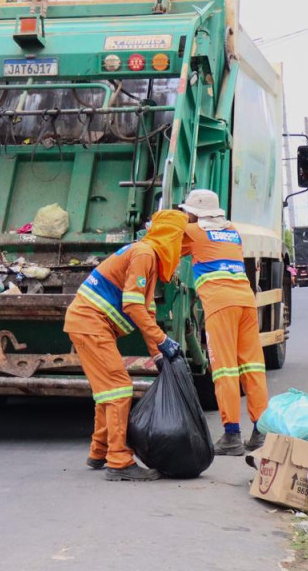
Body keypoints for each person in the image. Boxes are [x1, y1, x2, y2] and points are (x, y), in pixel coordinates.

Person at [63, 209, 187, 481]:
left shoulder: (147, 256)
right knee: (119, 388)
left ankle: (99, 450)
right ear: (171, 237)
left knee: (106, 391)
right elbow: (133, 306)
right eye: (180, 240)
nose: (181, 249)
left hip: (88, 323)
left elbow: (147, 313)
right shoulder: (144, 255)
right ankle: (118, 461)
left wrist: (158, 355)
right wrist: (163, 340)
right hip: (90, 323)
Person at [179, 189, 269, 456]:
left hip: (220, 305)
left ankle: (231, 435)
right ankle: (261, 432)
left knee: (225, 370)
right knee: (253, 366)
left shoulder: (193, 232)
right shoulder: (232, 232)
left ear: (195, 213)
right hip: (246, 302)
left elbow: (165, 242)